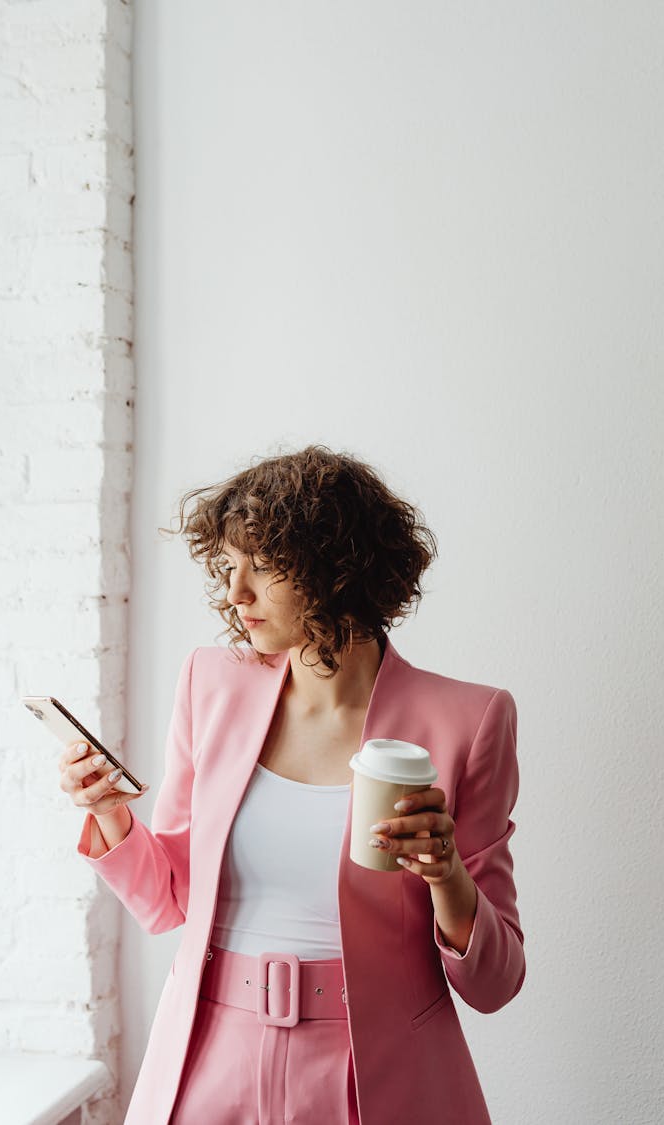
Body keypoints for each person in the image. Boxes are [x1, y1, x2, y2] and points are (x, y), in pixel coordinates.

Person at [59, 445, 525, 1125]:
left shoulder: (468, 721)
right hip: (208, 1053)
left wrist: (446, 872)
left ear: (340, 567)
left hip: (374, 1073)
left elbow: (496, 980)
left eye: (263, 565)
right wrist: (109, 811)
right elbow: (170, 898)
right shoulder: (210, 683)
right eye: (227, 567)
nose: (234, 593)